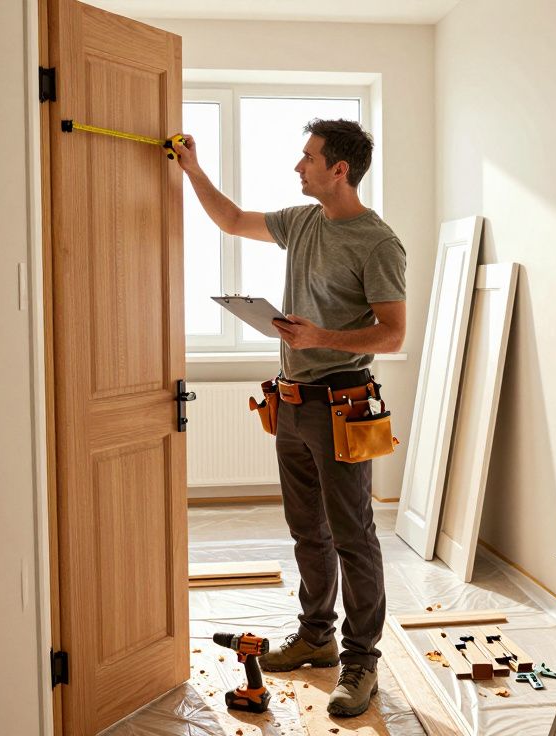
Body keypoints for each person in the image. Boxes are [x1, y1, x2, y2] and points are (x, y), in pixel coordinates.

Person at [172, 119, 407, 717]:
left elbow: (393, 331)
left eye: (308, 158)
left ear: (339, 170)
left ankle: (362, 662)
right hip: (294, 401)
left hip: (342, 403)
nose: (298, 167)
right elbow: (229, 220)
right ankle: (315, 638)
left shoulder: (378, 243)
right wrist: (194, 170)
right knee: (309, 531)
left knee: (354, 536)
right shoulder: (301, 222)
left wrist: (319, 334)